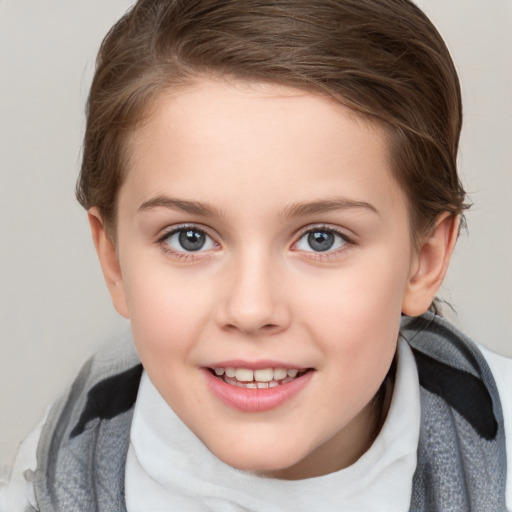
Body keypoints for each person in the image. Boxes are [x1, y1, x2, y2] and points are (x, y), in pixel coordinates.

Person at [1, 0, 511, 510]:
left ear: (423, 260)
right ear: (113, 260)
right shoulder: (41, 484)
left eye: (321, 239)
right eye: (190, 238)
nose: (251, 309)